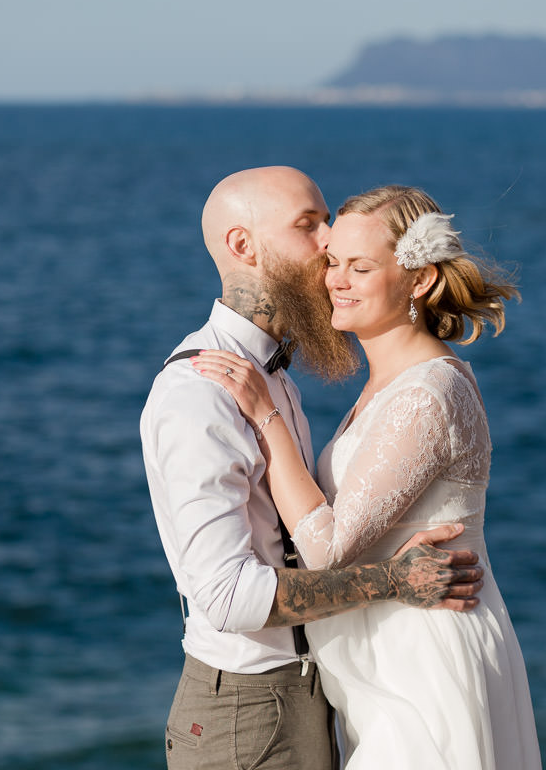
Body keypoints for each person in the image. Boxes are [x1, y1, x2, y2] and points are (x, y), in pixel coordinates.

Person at [141, 168, 487, 770]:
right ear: (243, 246)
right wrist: (394, 582)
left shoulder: (270, 375)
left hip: (307, 695)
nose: (329, 241)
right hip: (248, 714)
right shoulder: (201, 392)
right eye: (309, 225)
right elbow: (227, 599)